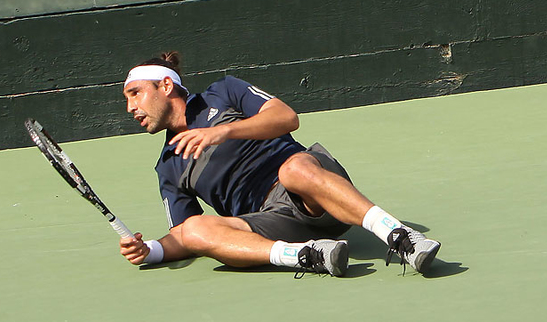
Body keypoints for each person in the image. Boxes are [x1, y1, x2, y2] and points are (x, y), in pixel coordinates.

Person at [118, 51, 441, 277]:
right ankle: (307, 256)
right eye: (127, 99)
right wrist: (150, 250)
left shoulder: (223, 92)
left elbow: (287, 117)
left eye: (135, 93)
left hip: (311, 187)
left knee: (292, 170)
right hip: (275, 222)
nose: (131, 107)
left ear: (166, 86)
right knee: (194, 228)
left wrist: (224, 131)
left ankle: (401, 237)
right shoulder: (168, 166)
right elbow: (185, 236)